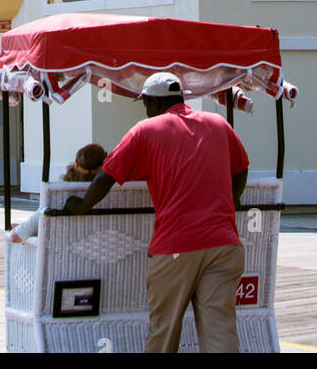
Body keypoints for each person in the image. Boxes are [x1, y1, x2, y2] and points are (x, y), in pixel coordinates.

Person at [64, 72, 249, 354]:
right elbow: (241, 167)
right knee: (220, 331)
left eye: (146, 104)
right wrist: (229, 205)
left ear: (152, 102)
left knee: (164, 332)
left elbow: (105, 177)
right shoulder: (217, 123)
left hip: (177, 246)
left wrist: (81, 207)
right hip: (225, 245)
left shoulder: (145, 130)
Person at [9, 142, 107, 242]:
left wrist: (21, 228)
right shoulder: (117, 194)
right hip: (109, 254)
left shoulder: (58, 197)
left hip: (63, 255)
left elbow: (16, 237)